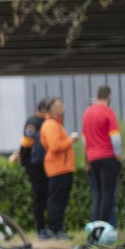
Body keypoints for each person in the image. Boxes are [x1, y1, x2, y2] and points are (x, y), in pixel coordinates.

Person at [8, 98, 53, 237]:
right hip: (35, 166)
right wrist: (22, 157)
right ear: (44, 110)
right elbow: (27, 143)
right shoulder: (34, 122)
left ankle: (47, 228)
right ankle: (40, 229)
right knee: (40, 197)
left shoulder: (45, 122)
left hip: (43, 165)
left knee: (46, 196)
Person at [82, 85, 122, 229]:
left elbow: (85, 139)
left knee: (98, 195)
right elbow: (115, 138)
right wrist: (118, 156)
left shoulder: (87, 113)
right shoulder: (108, 112)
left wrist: (88, 157)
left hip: (93, 158)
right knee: (107, 194)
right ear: (109, 97)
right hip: (107, 157)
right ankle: (103, 229)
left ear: (97, 95)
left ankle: (95, 227)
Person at [39, 96, 78, 239]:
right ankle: (56, 229)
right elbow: (55, 146)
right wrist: (70, 140)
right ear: (54, 109)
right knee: (56, 201)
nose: (64, 108)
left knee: (60, 200)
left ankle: (58, 228)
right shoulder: (50, 125)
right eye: (61, 105)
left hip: (63, 168)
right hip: (57, 168)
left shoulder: (56, 124)